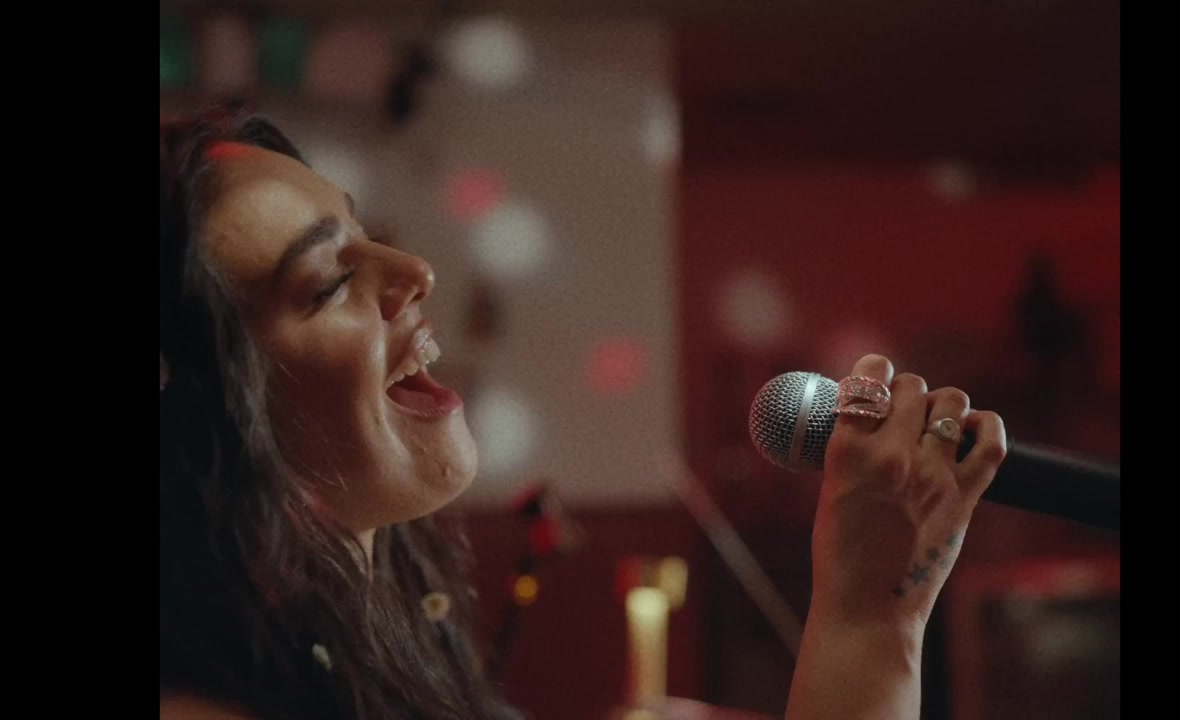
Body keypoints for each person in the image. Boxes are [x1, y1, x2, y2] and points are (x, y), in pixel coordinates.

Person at [158, 107, 1007, 720]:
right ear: (199, 415)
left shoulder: (387, 633)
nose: (415, 270)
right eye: (331, 280)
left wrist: (875, 623)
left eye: (364, 229)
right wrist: (867, 628)